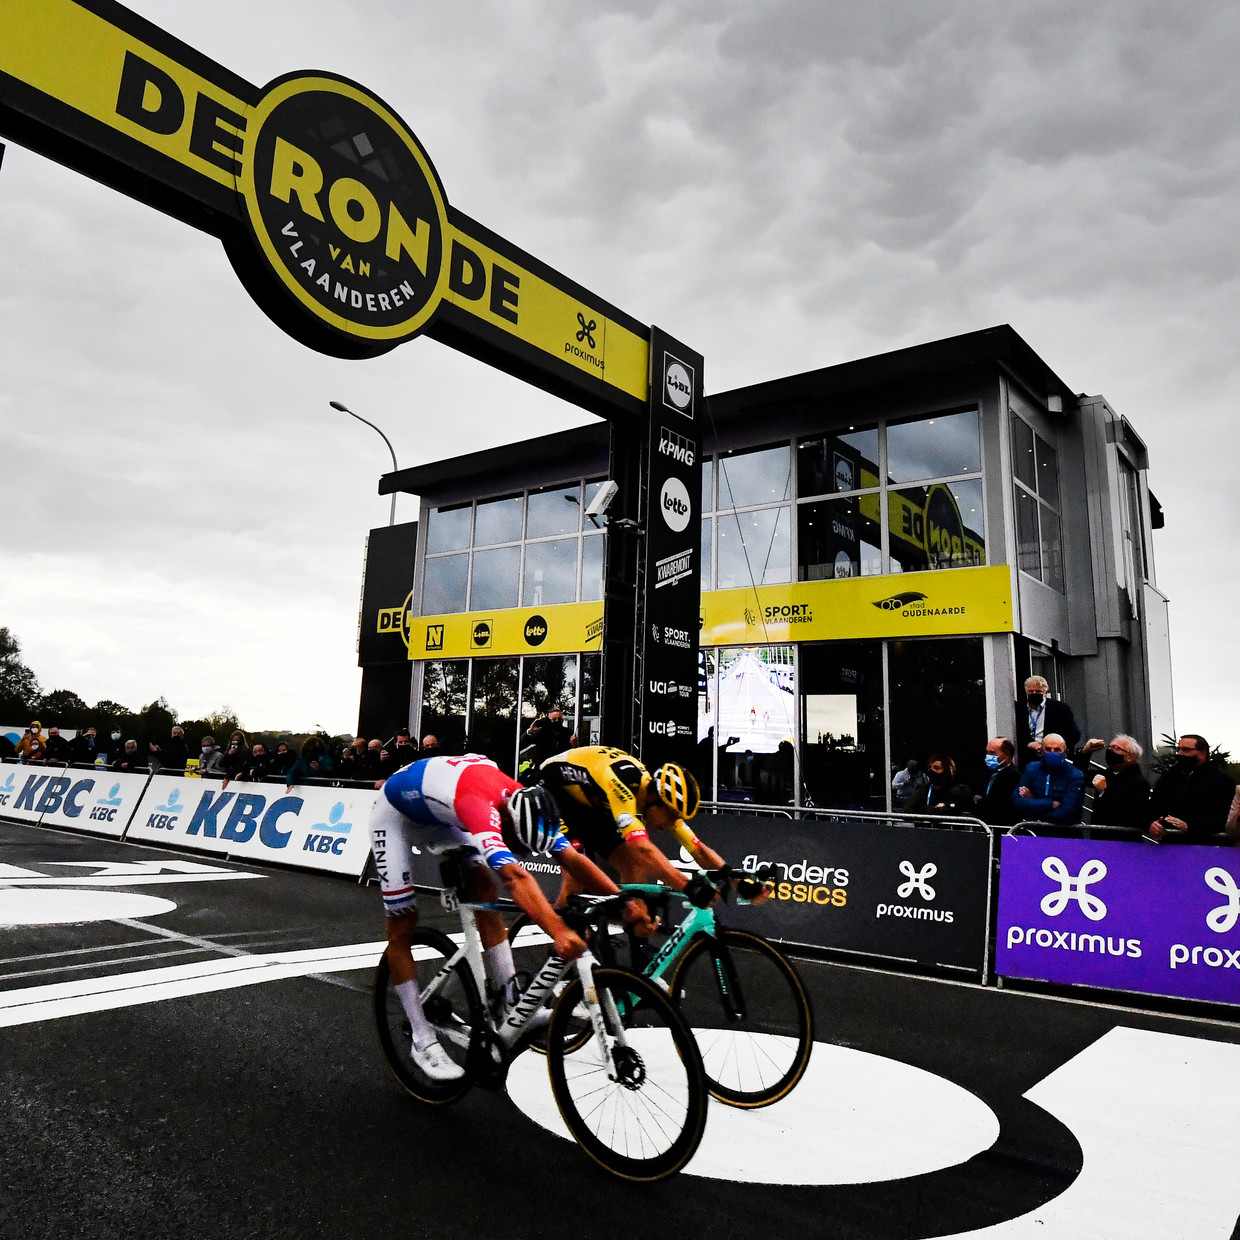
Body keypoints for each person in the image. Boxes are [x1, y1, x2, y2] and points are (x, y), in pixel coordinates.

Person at [369, 753, 649, 1081]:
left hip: (445, 814)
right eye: (517, 844)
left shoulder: (528, 804)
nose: (520, 852)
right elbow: (515, 877)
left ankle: (509, 1002)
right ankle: (422, 1038)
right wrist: (558, 931)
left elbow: (571, 858)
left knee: (484, 887)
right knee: (403, 923)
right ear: (505, 823)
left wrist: (625, 901)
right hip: (396, 814)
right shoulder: (481, 808)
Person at [538, 745, 764, 908]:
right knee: (577, 875)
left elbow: (697, 848)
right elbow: (642, 847)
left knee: (633, 867)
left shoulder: (652, 796)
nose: (669, 824)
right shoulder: (624, 785)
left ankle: (635, 946)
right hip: (554, 790)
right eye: (671, 816)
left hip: (587, 801)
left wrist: (736, 880)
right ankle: (558, 939)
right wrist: (687, 886)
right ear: (658, 800)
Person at [1148, 734, 1236, 843]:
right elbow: (1153, 807)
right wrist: (1153, 823)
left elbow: (1225, 819)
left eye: (1186, 750)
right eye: (1179, 749)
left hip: (1205, 847)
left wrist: (1189, 826)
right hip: (1169, 845)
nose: (1180, 753)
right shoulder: (1169, 777)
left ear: (1203, 753)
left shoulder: (1222, 782)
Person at [1076, 735, 1151, 830]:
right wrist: (1085, 752)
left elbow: (1131, 815)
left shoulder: (1139, 783)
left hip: (1122, 841)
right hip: (1099, 839)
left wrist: (1105, 791)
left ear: (1129, 757)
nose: (1110, 751)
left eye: (1116, 748)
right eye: (1110, 747)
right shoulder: (1108, 774)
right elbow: (1079, 775)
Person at [1012, 732, 1085, 824]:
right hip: (1033, 833)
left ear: (1065, 753)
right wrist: (1051, 803)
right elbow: (1017, 802)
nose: (1052, 753)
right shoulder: (1030, 769)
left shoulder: (1075, 776)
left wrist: (1033, 801)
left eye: (1057, 750)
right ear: (1042, 752)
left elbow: (1067, 814)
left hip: (1063, 835)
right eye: (1048, 749)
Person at [1015, 676, 1080, 764]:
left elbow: (1074, 734)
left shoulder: (1060, 708)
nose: (1034, 693)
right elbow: (1018, 733)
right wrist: (1029, 743)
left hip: (1053, 757)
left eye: (1038, 691)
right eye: (1031, 691)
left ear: (1045, 692)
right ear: (1026, 691)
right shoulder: (1018, 709)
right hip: (1026, 757)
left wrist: (1056, 748)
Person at [974, 737, 1021, 825]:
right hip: (984, 825)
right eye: (987, 753)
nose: (988, 756)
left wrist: (980, 802)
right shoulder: (987, 772)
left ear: (1006, 754)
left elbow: (996, 804)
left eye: (992, 753)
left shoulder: (1013, 775)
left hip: (1002, 826)